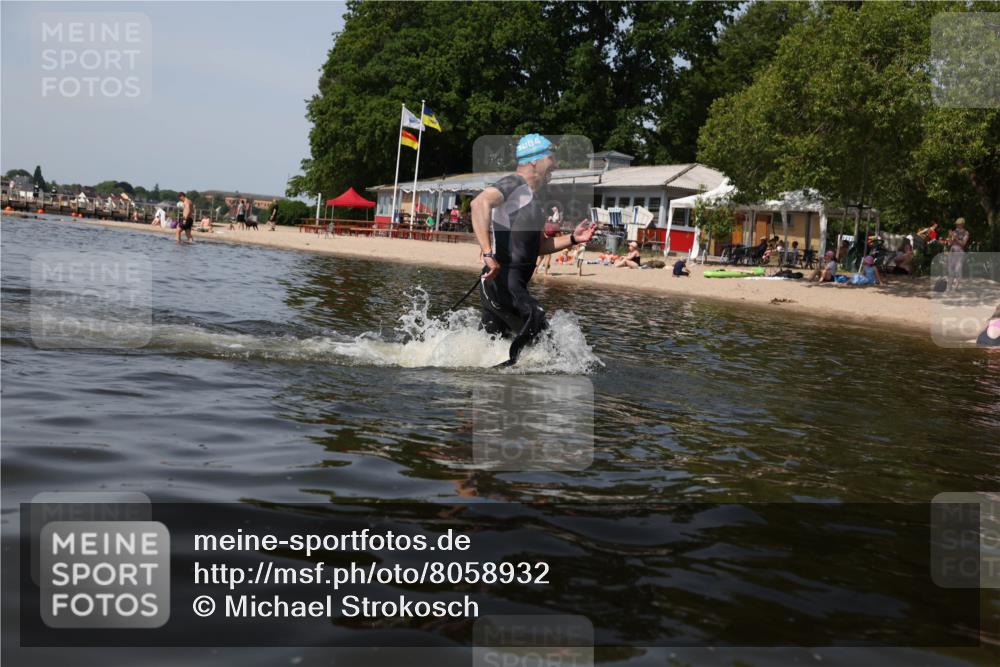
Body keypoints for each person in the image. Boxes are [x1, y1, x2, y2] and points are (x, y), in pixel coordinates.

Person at [471, 133, 597, 366]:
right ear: (533, 160)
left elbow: (538, 247)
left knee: (488, 351)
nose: (555, 164)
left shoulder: (534, 197)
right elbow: (479, 203)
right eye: (551, 157)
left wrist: (572, 238)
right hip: (502, 281)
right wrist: (488, 253)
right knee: (540, 332)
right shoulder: (514, 182)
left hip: (508, 284)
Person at [945, 217, 970, 290]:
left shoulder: (966, 233)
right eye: (956, 224)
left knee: (957, 270)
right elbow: (950, 243)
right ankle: (949, 287)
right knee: (950, 270)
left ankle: (955, 287)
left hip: (959, 252)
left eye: (958, 224)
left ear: (962, 224)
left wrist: (955, 238)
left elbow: (963, 244)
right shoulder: (954, 232)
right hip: (952, 251)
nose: (956, 226)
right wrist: (950, 236)